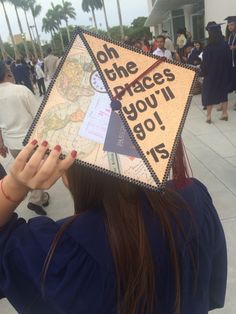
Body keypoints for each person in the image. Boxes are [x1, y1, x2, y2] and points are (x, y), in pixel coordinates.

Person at [0, 137, 227, 314]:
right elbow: (209, 292)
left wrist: (14, 185)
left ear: (70, 169)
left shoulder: (54, 250)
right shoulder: (193, 199)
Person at [0, 61, 50, 215]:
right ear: (7, 73)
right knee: (39, 171)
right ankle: (35, 200)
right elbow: (39, 116)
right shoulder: (20, 90)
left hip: (12, 143)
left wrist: (1, 144)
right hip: (30, 141)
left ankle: (41, 198)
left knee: (28, 171)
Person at [201, 22, 231, 123]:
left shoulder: (208, 47)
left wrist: (203, 74)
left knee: (209, 93)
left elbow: (205, 63)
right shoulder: (225, 45)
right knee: (223, 93)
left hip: (211, 74)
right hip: (223, 73)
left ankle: (209, 116)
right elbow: (229, 60)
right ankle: (225, 113)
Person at [225, 16, 236, 110]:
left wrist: (234, 47)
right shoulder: (230, 35)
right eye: (229, 25)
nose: (230, 27)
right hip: (231, 63)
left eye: (232, 24)